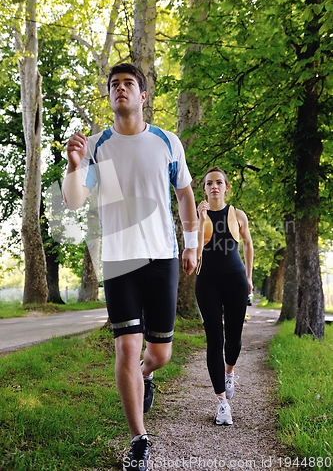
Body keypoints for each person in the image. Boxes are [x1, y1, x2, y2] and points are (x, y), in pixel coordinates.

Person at [62, 63, 197, 470]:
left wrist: (191, 245)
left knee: (159, 354)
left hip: (162, 258)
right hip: (120, 260)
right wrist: (73, 165)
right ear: (110, 97)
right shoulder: (98, 145)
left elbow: (186, 196)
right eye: (114, 85)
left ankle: (147, 375)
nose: (121, 89)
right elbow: (72, 201)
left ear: (142, 96)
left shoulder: (166, 142)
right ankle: (139, 439)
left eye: (129, 84)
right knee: (125, 345)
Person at [195, 166, 253, 426]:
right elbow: (196, 251)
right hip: (206, 282)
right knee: (214, 340)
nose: (214, 186)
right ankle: (222, 402)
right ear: (204, 189)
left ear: (226, 187)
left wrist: (250, 277)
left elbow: (248, 244)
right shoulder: (199, 218)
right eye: (209, 183)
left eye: (219, 182)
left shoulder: (237, 215)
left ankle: (229, 372)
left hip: (235, 281)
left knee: (234, 338)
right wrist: (199, 220)